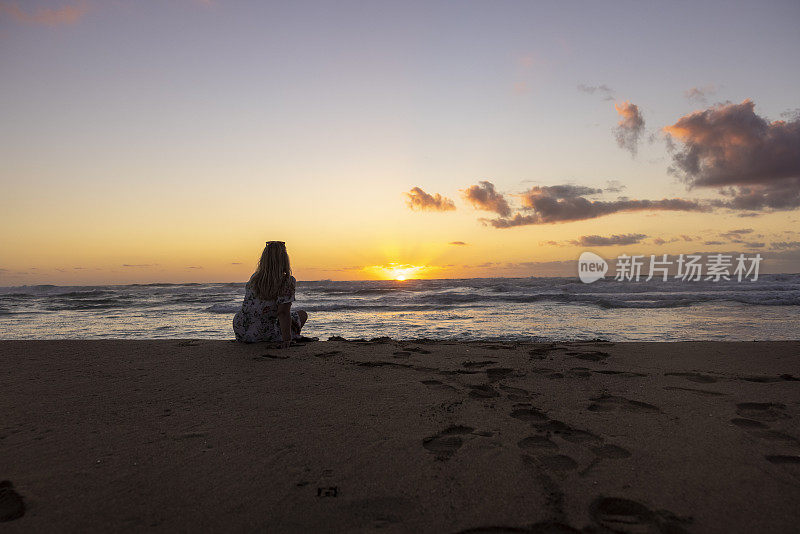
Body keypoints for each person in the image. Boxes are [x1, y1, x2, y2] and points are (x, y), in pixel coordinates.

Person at [233, 241, 308, 347]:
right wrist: (287, 340)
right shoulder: (287, 281)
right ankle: (288, 334)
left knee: (290, 318)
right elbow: (282, 313)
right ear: (285, 260)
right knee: (302, 314)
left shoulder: (255, 277)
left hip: (242, 330)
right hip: (265, 333)